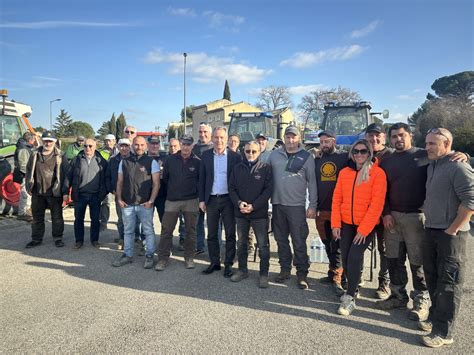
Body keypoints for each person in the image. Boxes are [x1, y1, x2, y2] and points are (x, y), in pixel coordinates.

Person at [419, 128, 473, 348]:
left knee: (449, 283)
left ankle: (444, 332)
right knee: (432, 276)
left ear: (447, 143)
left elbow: (471, 201)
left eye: (433, 143)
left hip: (451, 235)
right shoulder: (432, 164)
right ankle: (435, 317)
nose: (428, 147)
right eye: (427, 143)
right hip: (431, 229)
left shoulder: (458, 166)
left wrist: (452, 229)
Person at [331, 139, 387, 316]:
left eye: (363, 151)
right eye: (356, 151)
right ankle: (353, 285)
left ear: (369, 153)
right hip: (346, 223)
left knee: (354, 257)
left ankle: (349, 296)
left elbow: (376, 205)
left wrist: (364, 229)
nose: (359, 154)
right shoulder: (344, 173)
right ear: (351, 153)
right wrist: (335, 224)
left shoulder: (378, 174)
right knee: (346, 259)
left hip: (365, 225)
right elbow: (337, 199)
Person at [268, 125, 317, 289]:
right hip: (277, 204)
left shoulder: (306, 157)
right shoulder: (274, 155)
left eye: (294, 137)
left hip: (296, 206)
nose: (290, 140)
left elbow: (312, 183)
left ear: (299, 138)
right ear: (284, 138)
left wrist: (313, 205)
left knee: (299, 241)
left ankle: (302, 274)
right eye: (288, 137)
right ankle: (285, 269)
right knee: (281, 240)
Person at [199, 126, 242, 277]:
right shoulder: (205, 156)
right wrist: (202, 200)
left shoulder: (235, 157)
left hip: (228, 200)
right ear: (212, 139)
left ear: (227, 139)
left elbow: (239, 181)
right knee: (211, 234)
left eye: (222, 138)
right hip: (211, 200)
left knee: (230, 234)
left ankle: (228, 263)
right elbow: (202, 179)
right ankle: (214, 262)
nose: (219, 140)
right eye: (216, 137)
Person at [229, 141, 273, 288]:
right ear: (244, 151)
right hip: (241, 213)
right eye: (248, 151)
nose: (250, 154)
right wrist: (239, 203)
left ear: (259, 152)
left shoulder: (266, 168)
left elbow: (268, 191)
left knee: (263, 245)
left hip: (259, 213)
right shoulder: (237, 168)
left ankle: (263, 274)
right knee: (241, 243)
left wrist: (254, 206)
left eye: (254, 151)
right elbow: (232, 188)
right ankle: (242, 270)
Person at [112, 136, 160, 269]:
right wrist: (119, 199)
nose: (139, 147)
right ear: (132, 145)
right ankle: (127, 255)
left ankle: (149, 255)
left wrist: (151, 201)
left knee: (148, 231)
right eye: (136, 145)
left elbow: (156, 184)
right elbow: (119, 182)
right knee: (128, 231)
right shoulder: (124, 162)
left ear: (145, 146)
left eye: (141, 145)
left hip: (145, 204)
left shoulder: (151, 162)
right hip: (127, 204)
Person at [156, 134, 201, 270]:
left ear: (192, 145)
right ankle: (162, 259)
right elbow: (166, 179)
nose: (186, 147)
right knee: (166, 230)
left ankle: (189, 257)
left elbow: (200, 181)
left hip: (191, 200)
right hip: (172, 200)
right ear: (180, 144)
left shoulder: (198, 162)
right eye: (184, 144)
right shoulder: (170, 160)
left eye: (188, 144)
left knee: (190, 231)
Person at [313, 130, 347, 295]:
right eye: (321, 142)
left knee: (338, 245)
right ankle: (332, 271)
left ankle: (338, 276)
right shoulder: (317, 160)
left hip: (338, 210)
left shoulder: (344, 158)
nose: (324, 144)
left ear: (334, 141)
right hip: (322, 209)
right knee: (327, 243)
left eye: (327, 141)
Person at [63, 138, 108, 249]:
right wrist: (65, 191)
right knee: (78, 219)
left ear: (95, 147)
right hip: (80, 195)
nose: (88, 148)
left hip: (95, 195)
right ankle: (79, 241)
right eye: (85, 146)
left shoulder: (101, 160)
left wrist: (104, 192)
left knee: (95, 220)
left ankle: (95, 240)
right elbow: (68, 176)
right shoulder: (76, 160)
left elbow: (106, 178)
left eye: (90, 146)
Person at [24, 131, 66, 248]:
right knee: (37, 218)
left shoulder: (60, 156)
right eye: (46, 140)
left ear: (55, 142)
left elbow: (66, 175)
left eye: (50, 141)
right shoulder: (34, 154)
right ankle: (36, 239)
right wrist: (28, 185)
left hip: (54, 192)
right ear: (42, 140)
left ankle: (58, 238)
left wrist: (65, 191)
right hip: (37, 192)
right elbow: (28, 171)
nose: (48, 143)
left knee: (57, 218)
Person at [364, 123, 392, 298]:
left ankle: (384, 282)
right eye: (370, 136)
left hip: (386, 211)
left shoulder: (394, 155)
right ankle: (356, 278)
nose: (374, 139)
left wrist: (461, 154)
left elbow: (425, 156)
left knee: (384, 248)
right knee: (359, 245)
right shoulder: (360, 153)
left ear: (384, 137)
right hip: (364, 211)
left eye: (377, 135)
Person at [105, 138, 131, 250]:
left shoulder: (135, 159)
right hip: (119, 194)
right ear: (118, 147)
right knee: (121, 218)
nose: (124, 148)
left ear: (129, 147)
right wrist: (112, 190)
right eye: (122, 146)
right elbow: (107, 177)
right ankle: (122, 238)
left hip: (132, 194)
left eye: (126, 146)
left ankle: (134, 238)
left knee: (133, 219)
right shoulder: (112, 160)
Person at [192, 123, 213, 255]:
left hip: (211, 192)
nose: (202, 134)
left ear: (210, 133)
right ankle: (200, 246)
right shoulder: (194, 148)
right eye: (200, 132)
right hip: (196, 191)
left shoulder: (216, 148)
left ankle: (213, 248)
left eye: (205, 132)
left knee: (213, 223)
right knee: (198, 222)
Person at [14, 132, 36, 222]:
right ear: (30, 140)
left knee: (27, 194)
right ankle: (22, 213)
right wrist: (29, 175)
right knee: (25, 194)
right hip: (24, 175)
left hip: (26, 174)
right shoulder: (23, 149)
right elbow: (23, 165)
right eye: (34, 139)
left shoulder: (26, 147)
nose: (35, 141)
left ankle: (26, 211)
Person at [99, 134, 116, 231]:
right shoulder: (101, 152)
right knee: (105, 202)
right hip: (104, 180)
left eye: (110, 141)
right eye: (107, 141)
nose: (108, 143)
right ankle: (103, 223)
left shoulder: (119, 151)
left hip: (115, 181)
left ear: (114, 141)